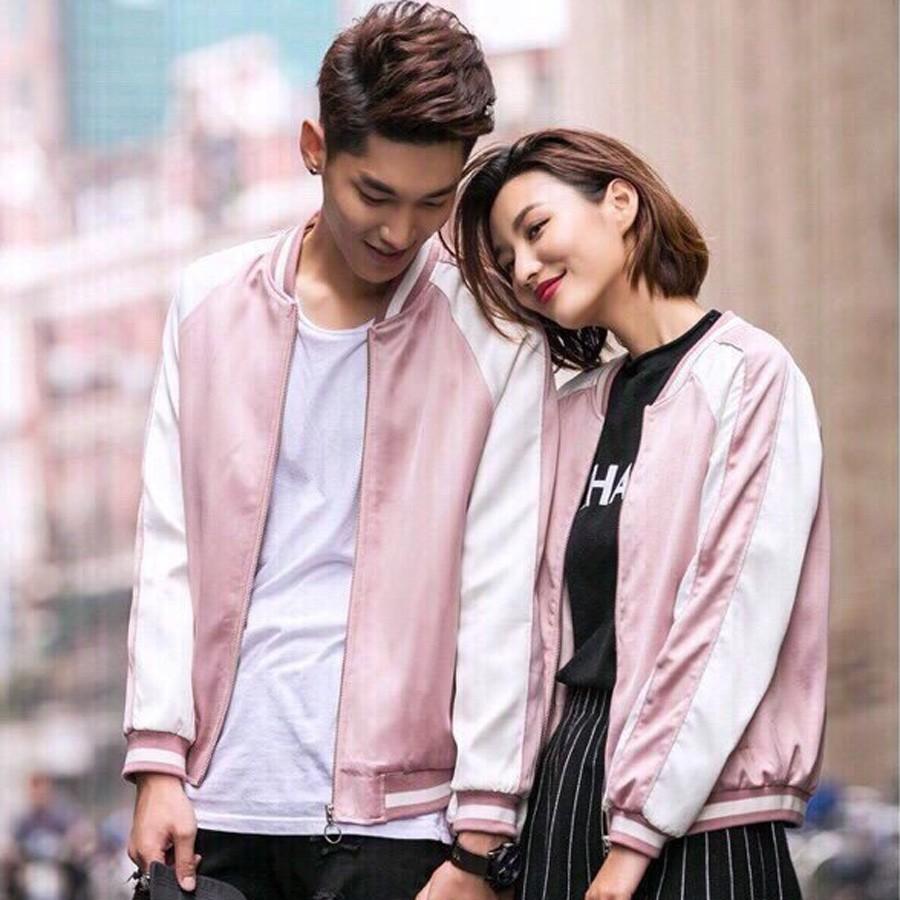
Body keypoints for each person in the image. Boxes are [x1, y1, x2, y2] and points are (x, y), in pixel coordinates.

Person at [123, 6, 556, 900]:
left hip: (401, 825)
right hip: (215, 807)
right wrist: (158, 761)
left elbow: (507, 592)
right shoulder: (207, 307)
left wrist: (481, 841)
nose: (400, 232)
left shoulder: (496, 342)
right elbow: (169, 546)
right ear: (315, 148)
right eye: (375, 194)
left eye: (432, 202)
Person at [454, 129, 829, 900]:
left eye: (535, 229)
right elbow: (525, 631)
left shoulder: (748, 377)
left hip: (706, 811)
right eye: (508, 259)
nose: (524, 269)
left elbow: (730, 614)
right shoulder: (568, 414)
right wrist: (490, 837)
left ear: (620, 202)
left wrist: (633, 842)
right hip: (568, 794)